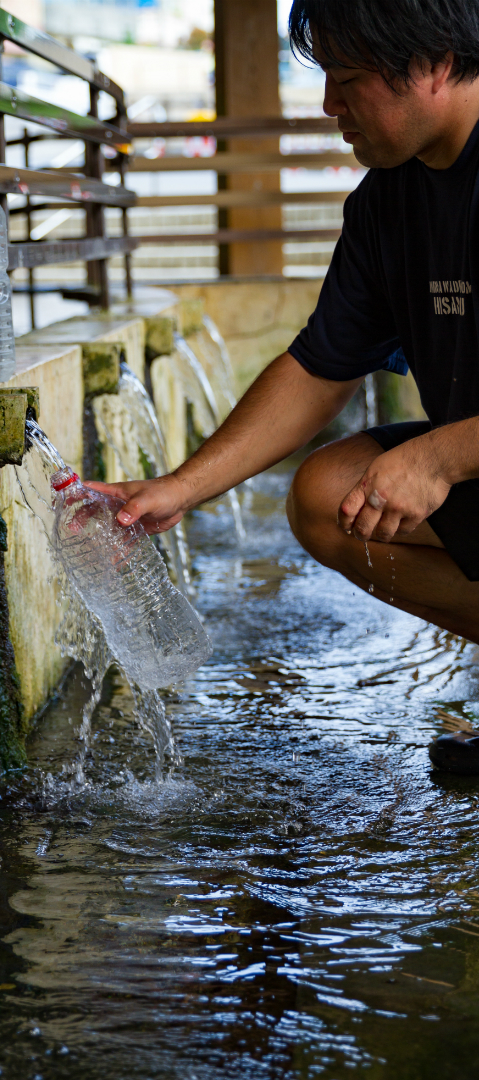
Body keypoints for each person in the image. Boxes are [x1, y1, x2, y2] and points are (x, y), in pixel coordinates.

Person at [92, 0, 479, 774]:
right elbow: (318, 368)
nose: (330, 104)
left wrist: (438, 457)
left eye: (347, 79)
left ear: (434, 65)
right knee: (327, 495)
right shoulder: (386, 204)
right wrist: (179, 488)